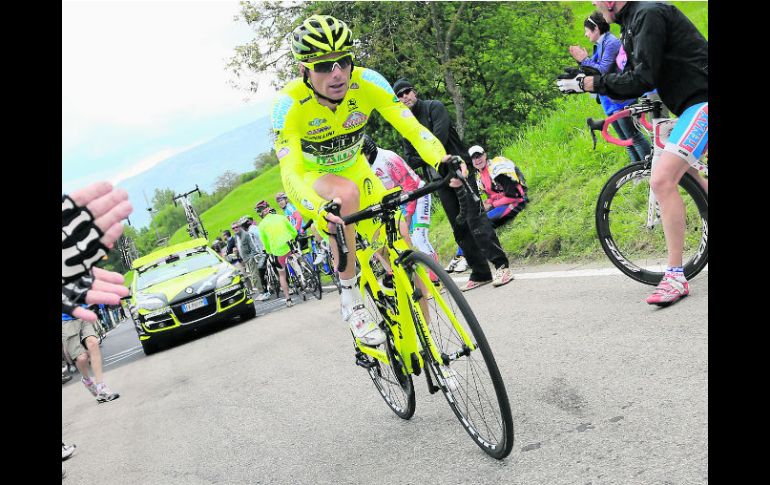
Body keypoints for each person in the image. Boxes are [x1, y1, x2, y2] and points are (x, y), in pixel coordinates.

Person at [271, 14, 465, 347]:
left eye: (343, 62)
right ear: (304, 70)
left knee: (402, 250)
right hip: (314, 180)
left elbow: (412, 128)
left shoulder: (368, 82)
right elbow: (289, 172)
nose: (336, 73)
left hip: (359, 171)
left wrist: (440, 158)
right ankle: (351, 301)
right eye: (323, 66)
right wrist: (317, 207)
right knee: (344, 194)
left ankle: (429, 348)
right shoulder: (288, 105)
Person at [556, 1, 708, 306]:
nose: (595, 7)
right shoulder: (632, 23)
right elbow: (631, 79)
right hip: (691, 102)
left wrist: (590, 84)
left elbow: (644, 77)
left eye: (597, 0)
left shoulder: (648, 15)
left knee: (663, 179)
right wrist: (586, 76)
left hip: (702, 100)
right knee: (687, 171)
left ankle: (676, 276)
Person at [393, 77, 514, 291]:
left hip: (459, 169)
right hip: (438, 180)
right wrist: (425, 156)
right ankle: (481, 272)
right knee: (459, 227)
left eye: (407, 91)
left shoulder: (434, 107)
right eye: (400, 95)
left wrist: (422, 154)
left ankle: (501, 266)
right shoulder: (404, 125)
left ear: (414, 92)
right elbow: (409, 159)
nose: (405, 97)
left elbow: (436, 141)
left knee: (475, 219)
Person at [569, 11, 651, 163]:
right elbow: (591, 70)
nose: (585, 34)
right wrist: (581, 62)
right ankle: (637, 172)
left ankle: (650, 168)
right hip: (610, 99)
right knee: (625, 140)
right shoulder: (600, 45)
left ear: (596, 29)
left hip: (621, 99)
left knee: (634, 137)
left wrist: (584, 59)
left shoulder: (611, 43)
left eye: (587, 30)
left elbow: (601, 70)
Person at [361, 134, 440, 279]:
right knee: (402, 243)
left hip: (417, 194)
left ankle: (436, 277)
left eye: (362, 156)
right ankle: (414, 276)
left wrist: (408, 215)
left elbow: (409, 185)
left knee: (418, 237)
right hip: (398, 202)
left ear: (368, 152)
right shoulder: (367, 167)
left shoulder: (387, 159)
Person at [62, 308, 120, 403]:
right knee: (82, 358)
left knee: (93, 343)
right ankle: (87, 381)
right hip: (65, 320)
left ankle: (101, 388)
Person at [467, 145, 529, 228]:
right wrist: (487, 203)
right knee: (475, 219)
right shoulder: (480, 176)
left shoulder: (497, 169)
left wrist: (493, 204)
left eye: (479, 156)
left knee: (483, 224)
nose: (477, 160)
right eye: (473, 158)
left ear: (485, 155)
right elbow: (494, 195)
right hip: (503, 202)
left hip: (517, 201)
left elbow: (514, 196)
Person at [254, 200, 296, 308]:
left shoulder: (262, 225)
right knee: (296, 255)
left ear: (260, 213)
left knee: (282, 274)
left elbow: (266, 244)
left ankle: (288, 299)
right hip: (289, 246)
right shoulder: (281, 217)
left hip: (278, 252)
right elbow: (293, 231)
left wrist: (269, 252)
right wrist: (293, 237)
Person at [235, 216, 262, 297]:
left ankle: (262, 292)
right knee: (254, 276)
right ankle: (263, 290)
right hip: (246, 259)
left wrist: (253, 256)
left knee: (255, 276)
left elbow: (253, 245)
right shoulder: (238, 237)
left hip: (251, 258)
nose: (235, 229)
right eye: (233, 228)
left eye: (237, 227)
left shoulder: (246, 234)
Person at [245, 216, 271, 301]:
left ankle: (266, 292)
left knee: (261, 272)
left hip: (264, 251)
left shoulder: (252, 230)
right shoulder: (253, 229)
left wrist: (263, 249)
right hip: (265, 250)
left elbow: (260, 238)